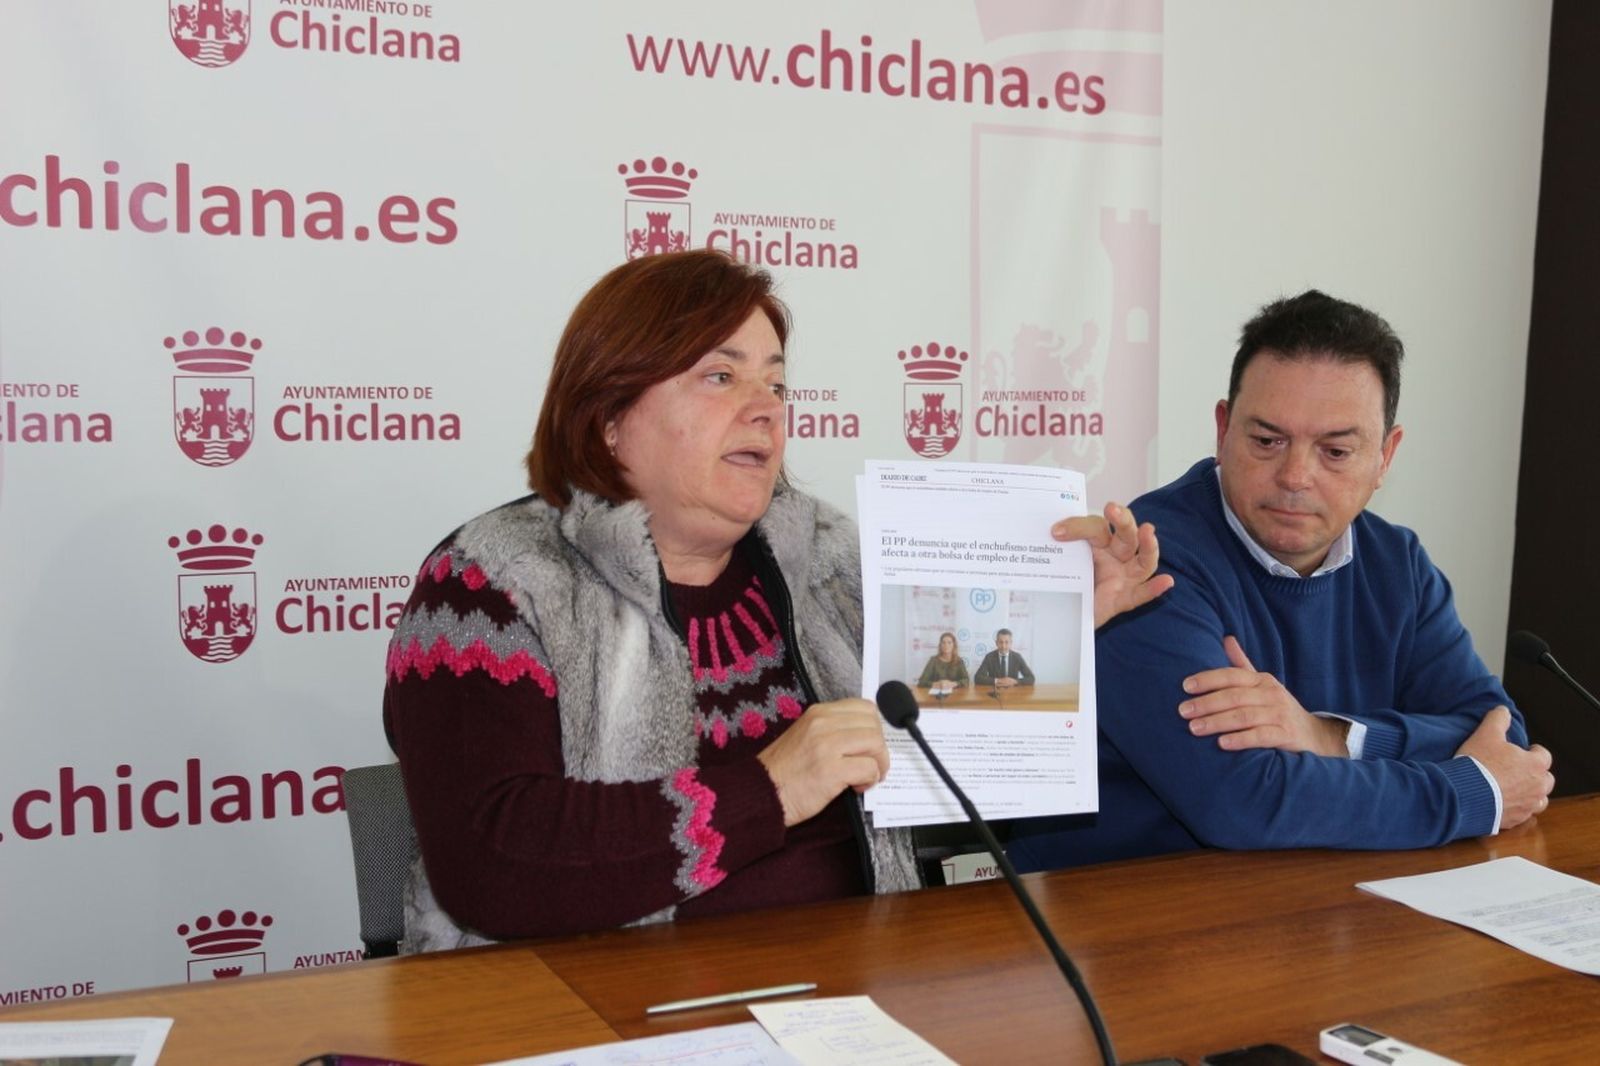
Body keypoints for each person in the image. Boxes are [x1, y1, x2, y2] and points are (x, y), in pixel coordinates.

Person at [382, 249, 1171, 951]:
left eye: (776, 382)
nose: (765, 406)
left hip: (851, 992)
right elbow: (489, 864)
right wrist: (770, 790)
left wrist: (1052, 633)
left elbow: (950, 787)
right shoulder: (493, 582)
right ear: (611, 414)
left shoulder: (829, 561)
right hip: (584, 1009)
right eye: (721, 376)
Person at [1008, 289, 1555, 871]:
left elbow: (1501, 737)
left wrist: (1331, 737)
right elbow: (1242, 801)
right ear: (1223, 430)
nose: (1295, 476)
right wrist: (1471, 794)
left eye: (1335, 451)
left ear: (1385, 456)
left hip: (1336, 894)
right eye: (1267, 441)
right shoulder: (1145, 565)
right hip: (1134, 906)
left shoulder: (1399, 563)